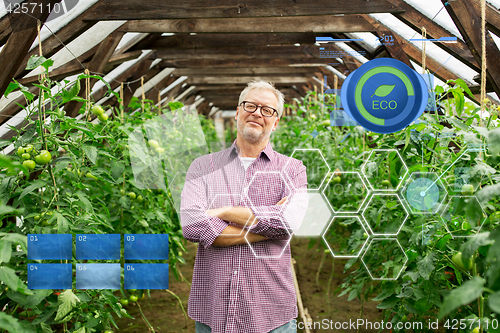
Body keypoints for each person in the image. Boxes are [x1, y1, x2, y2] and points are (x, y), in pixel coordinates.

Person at [180, 81, 308, 333]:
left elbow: (290, 221)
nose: (258, 113)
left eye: (268, 110)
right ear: (238, 111)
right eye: (251, 105)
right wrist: (270, 226)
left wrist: (223, 213)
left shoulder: (293, 169)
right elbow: (193, 226)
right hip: (213, 309)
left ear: (276, 121)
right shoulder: (202, 167)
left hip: (271, 313)